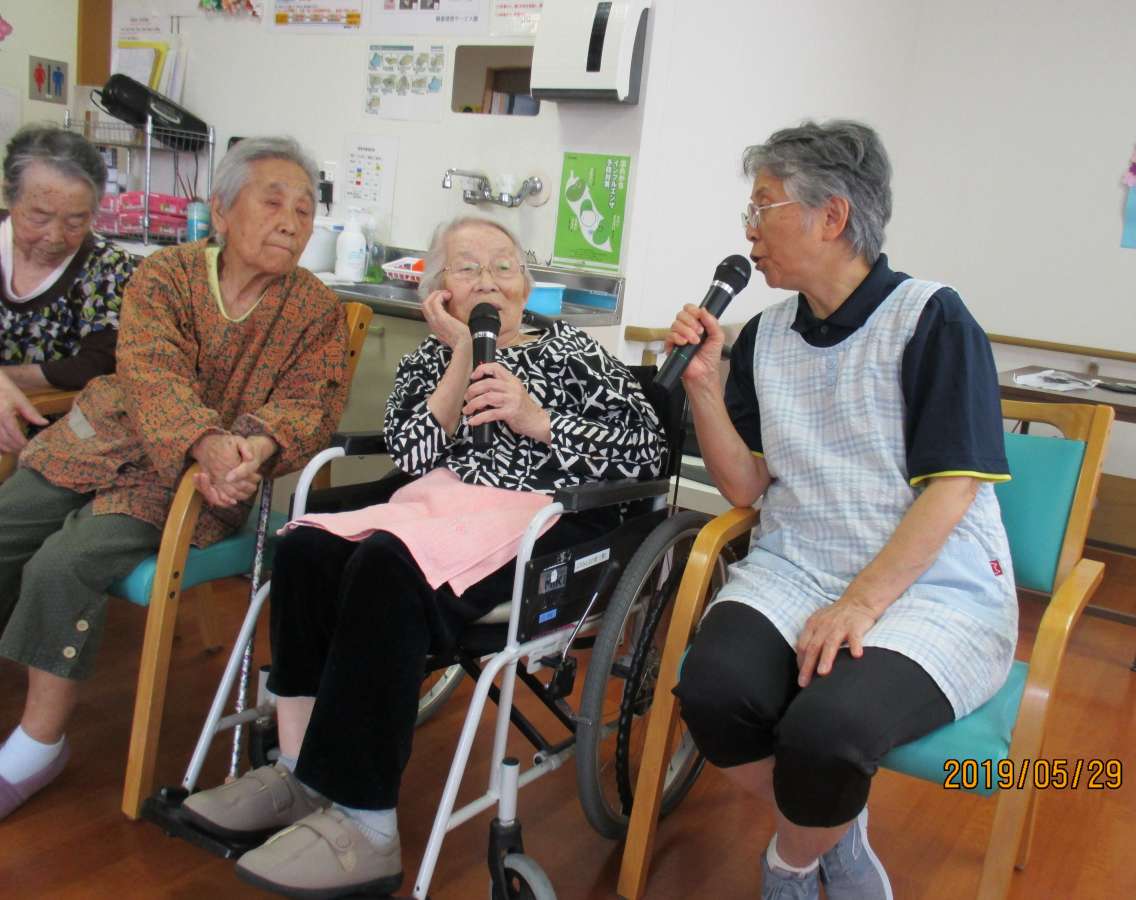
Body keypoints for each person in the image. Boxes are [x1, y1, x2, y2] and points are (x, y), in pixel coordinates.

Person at [179, 215, 665, 897]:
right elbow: (410, 457)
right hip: (437, 504)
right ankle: (297, 769)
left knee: (385, 565)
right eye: (467, 268)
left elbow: (647, 452)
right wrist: (462, 355)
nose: (489, 280)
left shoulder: (575, 352)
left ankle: (366, 824)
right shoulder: (428, 360)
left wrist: (537, 419)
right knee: (305, 546)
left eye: (503, 266)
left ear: (526, 284)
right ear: (439, 291)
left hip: (542, 516)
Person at [667, 121, 1016, 899]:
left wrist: (859, 603)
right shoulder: (766, 335)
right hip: (797, 568)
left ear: (832, 217)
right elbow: (745, 487)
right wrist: (704, 386)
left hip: (931, 588)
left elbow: (954, 488)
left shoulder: (932, 319)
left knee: (827, 730)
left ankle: (790, 864)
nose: (749, 231)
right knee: (713, 694)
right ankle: (833, 829)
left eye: (763, 208)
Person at [0, 136, 350, 821]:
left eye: (305, 211)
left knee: (64, 562)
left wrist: (251, 448)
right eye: (273, 202)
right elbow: (149, 369)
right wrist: (205, 440)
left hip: (187, 485)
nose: (291, 222)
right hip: (98, 440)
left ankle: (38, 745)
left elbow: (310, 405)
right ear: (220, 210)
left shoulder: (316, 310)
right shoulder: (164, 274)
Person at [0, 127, 140, 455]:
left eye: (75, 222)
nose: (55, 236)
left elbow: (99, 364)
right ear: (10, 196)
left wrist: (6, 379)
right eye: (39, 218)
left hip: (61, 439)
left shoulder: (109, 266)